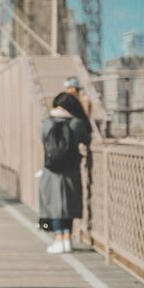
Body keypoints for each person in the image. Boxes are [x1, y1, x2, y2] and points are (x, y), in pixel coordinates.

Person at [39, 92, 92, 254]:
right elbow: (87, 139)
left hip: (51, 171)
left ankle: (59, 239)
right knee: (68, 205)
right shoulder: (77, 123)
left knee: (54, 206)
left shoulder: (46, 123)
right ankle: (68, 239)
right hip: (71, 170)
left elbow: (43, 141)